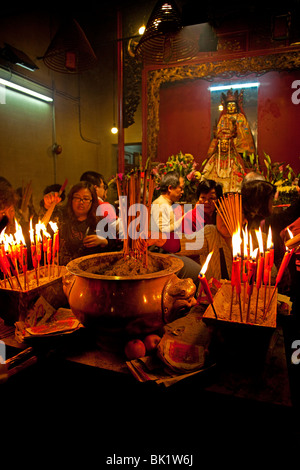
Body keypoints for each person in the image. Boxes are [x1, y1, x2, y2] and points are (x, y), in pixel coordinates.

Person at [150, 171, 202, 287]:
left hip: (170, 249)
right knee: (198, 272)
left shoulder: (167, 204)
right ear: (170, 188)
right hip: (161, 253)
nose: (182, 192)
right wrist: (184, 218)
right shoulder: (160, 204)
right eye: (181, 188)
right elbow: (162, 232)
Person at [45, 181, 109, 266]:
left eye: (85, 199)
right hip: (61, 269)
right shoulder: (60, 217)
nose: (81, 202)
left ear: (92, 201)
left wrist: (103, 241)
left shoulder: (100, 222)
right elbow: (42, 224)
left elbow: (112, 247)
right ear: (71, 199)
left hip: (87, 271)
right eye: (77, 198)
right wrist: (47, 205)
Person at [207, 88, 256, 158]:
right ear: (226, 107)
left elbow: (246, 132)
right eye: (229, 106)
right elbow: (219, 130)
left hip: (239, 142)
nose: (231, 108)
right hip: (226, 143)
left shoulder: (240, 117)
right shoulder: (223, 117)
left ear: (236, 107)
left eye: (233, 106)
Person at [202, 124, 246, 193]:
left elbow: (240, 173)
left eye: (226, 144)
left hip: (230, 187)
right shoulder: (215, 157)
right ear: (219, 145)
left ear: (229, 145)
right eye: (222, 144)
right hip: (216, 185)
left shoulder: (234, 158)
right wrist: (202, 179)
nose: (224, 146)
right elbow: (207, 170)